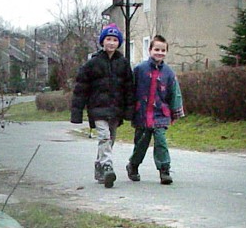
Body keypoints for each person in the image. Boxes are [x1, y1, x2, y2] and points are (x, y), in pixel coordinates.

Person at [70, 23, 134, 188]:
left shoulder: (124, 64)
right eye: (108, 39)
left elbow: (129, 89)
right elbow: (81, 88)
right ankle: (107, 166)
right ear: (102, 41)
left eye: (114, 40)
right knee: (104, 136)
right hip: (97, 109)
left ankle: (99, 166)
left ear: (118, 42)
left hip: (116, 109)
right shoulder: (93, 63)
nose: (111, 43)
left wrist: (129, 110)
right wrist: (76, 113)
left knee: (110, 139)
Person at [127, 35, 184, 185]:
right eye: (156, 49)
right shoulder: (139, 69)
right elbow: (130, 90)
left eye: (163, 50)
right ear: (150, 50)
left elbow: (175, 92)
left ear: (166, 52)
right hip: (142, 113)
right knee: (141, 142)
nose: (159, 52)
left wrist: (175, 111)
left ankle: (164, 170)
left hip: (161, 113)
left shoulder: (169, 73)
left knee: (161, 141)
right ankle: (133, 165)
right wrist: (128, 109)